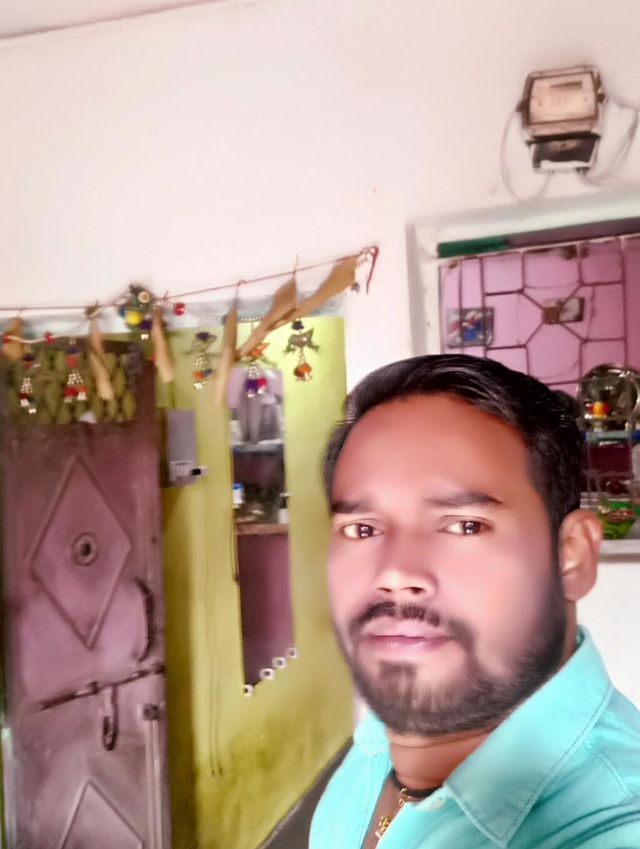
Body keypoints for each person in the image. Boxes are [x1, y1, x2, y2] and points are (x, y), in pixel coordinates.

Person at [310, 354, 640, 849]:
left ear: (572, 556)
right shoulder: (375, 745)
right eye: (362, 529)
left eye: (465, 526)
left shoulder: (613, 826)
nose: (395, 573)